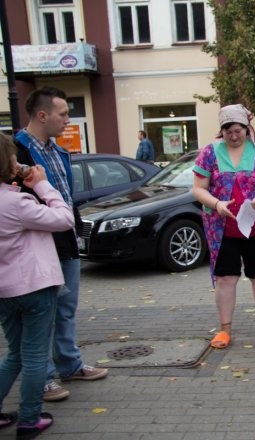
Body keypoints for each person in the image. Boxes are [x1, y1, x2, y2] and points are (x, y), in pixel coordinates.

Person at [14, 86, 108, 403]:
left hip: (65, 238)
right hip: (40, 243)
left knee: (66, 309)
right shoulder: (18, 151)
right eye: (63, 113)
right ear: (42, 115)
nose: (67, 120)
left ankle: (70, 364)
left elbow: (65, 197)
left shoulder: (55, 150)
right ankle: (44, 379)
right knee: (44, 314)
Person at [192, 104, 255, 349]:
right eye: (228, 132)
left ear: (247, 128)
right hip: (222, 228)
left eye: (238, 131)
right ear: (222, 131)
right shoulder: (210, 152)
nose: (234, 136)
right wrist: (216, 204)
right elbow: (198, 189)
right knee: (226, 278)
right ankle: (225, 329)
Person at [0, 135, 75, 438]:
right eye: (13, 158)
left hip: (4, 292)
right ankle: (29, 420)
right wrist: (43, 185)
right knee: (33, 356)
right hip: (34, 289)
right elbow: (64, 218)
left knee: (14, 354)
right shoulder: (17, 203)